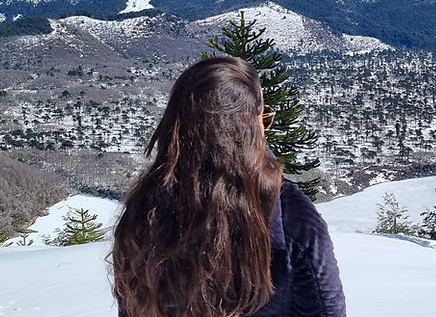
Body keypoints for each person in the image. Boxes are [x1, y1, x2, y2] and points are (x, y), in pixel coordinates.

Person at [111, 57, 345, 317]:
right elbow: (327, 309)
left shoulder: (141, 216)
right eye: (262, 117)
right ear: (251, 129)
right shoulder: (290, 215)